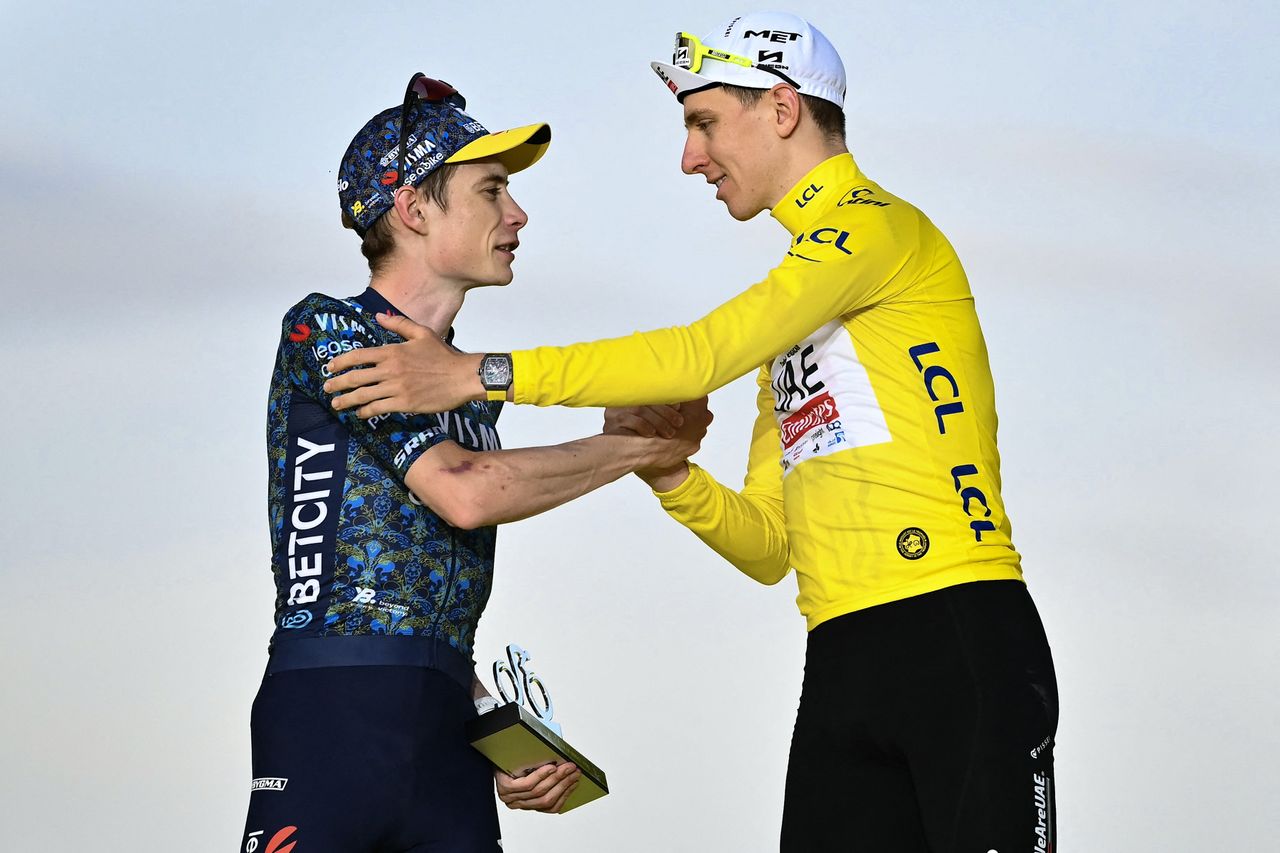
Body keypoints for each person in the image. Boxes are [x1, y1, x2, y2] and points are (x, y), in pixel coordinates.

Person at [322, 14, 1059, 853]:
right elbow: (770, 544)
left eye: (703, 123)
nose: (690, 158)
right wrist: (668, 472)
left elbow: (699, 354)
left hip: (956, 631)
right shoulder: (801, 307)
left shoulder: (877, 229)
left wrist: (478, 372)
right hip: (843, 660)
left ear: (782, 109)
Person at [241, 73, 709, 853]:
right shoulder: (324, 328)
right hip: (331, 710)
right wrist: (635, 444)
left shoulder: (466, 386)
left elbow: (423, 587)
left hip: (442, 725)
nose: (518, 213)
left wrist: (502, 731)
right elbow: (463, 493)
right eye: (492, 190)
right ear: (414, 210)